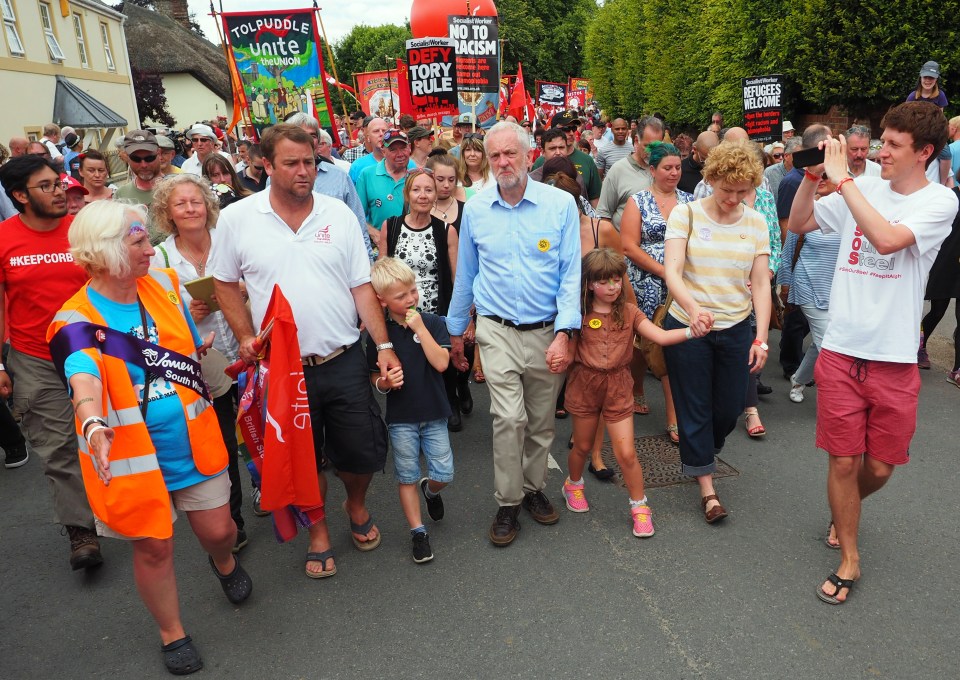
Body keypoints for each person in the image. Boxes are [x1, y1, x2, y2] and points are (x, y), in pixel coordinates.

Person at [47, 201, 251, 675]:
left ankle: (222, 562)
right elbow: (83, 378)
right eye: (136, 241)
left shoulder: (164, 282)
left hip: (192, 440)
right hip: (133, 458)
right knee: (154, 547)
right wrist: (93, 423)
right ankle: (171, 633)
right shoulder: (72, 321)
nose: (149, 247)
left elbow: (183, 337)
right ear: (104, 253)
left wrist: (196, 348)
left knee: (222, 531)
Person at [787, 101, 958, 605]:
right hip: (840, 349)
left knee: (880, 466)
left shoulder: (940, 202)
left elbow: (885, 240)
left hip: (894, 357)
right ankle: (849, 557)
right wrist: (811, 177)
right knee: (843, 461)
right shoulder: (863, 188)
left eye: (894, 146)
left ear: (924, 153)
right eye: (882, 140)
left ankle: (845, 511)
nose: (881, 152)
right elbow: (800, 224)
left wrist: (843, 182)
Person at [209, 124, 396, 578]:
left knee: (361, 453)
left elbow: (361, 286)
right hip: (281, 368)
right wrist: (246, 335)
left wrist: (385, 345)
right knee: (301, 457)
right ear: (265, 165)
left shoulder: (338, 215)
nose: (303, 171)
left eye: (309, 162)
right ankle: (317, 532)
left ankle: (354, 504)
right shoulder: (238, 218)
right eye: (291, 163)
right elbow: (223, 282)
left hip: (343, 358)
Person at [446, 121, 581, 547]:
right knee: (508, 417)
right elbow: (466, 274)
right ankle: (507, 502)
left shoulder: (559, 206)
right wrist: (455, 333)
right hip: (496, 329)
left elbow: (569, 275)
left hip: (546, 332)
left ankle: (533, 488)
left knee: (541, 422)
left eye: (511, 154)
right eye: (496, 155)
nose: (504, 162)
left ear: (529, 156)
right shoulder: (477, 209)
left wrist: (565, 333)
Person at [0, 155, 102, 570]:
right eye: (47, 186)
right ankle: (82, 532)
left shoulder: (83, 232)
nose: (61, 190)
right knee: (57, 447)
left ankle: (129, 504)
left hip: (94, 350)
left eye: (59, 182)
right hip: (33, 357)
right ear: (20, 196)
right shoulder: (4, 239)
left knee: (113, 430)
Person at [662, 140, 772, 523]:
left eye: (743, 192)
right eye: (727, 190)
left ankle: (703, 451)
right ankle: (708, 488)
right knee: (694, 407)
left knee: (726, 410)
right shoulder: (685, 214)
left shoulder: (756, 223)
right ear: (711, 180)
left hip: (737, 328)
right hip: (687, 328)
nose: (734, 198)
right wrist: (693, 311)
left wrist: (762, 337)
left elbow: (760, 283)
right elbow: (672, 271)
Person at [563, 248, 695, 536]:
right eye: (604, 281)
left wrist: (690, 331)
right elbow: (568, 353)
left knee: (627, 453)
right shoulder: (578, 313)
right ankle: (572, 484)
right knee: (582, 447)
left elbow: (659, 336)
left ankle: (640, 506)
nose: (612, 287)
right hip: (585, 385)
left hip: (618, 387)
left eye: (617, 280)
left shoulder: (630, 312)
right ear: (588, 284)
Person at [149, 173, 249, 551]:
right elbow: (154, 319)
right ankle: (233, 520)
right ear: (167, 213)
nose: (190, 209)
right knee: (222, 441)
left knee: (260, 429)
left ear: (208, 206)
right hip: (204, 363)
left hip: (247, 348)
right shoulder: (159, 257)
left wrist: (237, 289)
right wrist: (187, 313)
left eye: (196, 201)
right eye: (180, 204)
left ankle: (264, 489)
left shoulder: (230, 242)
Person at [368, 258, 455, 563]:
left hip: (434, 413)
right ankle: (418, 532)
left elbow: (442, 363)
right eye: (401, 295)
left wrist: (420, 326)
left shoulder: (431, 322)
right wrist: (384, 383)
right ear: (382, 300)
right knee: (406, 476)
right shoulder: (379, 336)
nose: (410, 299)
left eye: (412, 291)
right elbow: (374, 378)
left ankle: (431, 491)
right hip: (401, 419)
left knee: (444, 472)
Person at [621, 142, 694, 442]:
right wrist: (665, 271)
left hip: (680, 288)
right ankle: (636, 386)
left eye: (677, 167)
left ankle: (674, 417)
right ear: (652, 170)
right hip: (646, 282)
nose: (674, 172)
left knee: (671, 349)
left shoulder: (690, 203)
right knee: (642, 344)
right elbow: (628, 246)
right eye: (667, 167)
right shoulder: (637, 202)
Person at [378, 169, 461, 430]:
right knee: (408, 363)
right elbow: (381, 270)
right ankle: (411, 418)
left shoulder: (445, 230)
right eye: (417, 190)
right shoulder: (390, 226)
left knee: (438, 362)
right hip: (398, 312)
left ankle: (449, 404)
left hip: (434, 310)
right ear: (407, 194)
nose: (422, 195)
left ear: (436, 195)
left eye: (428, 190)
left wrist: (461, 317)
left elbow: (456, 275)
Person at [780, 176, 842, 403]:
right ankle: (837, 396)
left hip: (837, 290)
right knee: (828, 343)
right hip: (807, 284)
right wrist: (785, 285)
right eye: (820, 175)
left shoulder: (851, 210)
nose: (823, 179)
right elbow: (788, 252)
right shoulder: (807, 208)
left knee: (821, 341)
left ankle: (799, 378)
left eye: (829, 175)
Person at [918, 175, 960, 383]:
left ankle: (957, 369)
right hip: (946, 262)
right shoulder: (951, 199)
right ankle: (919, 346)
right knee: (937, 311)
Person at [115, 130, 164, 206]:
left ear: (159, 153)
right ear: (127, 157)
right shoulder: (121, 196)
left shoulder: (177, 188)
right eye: (136, 159)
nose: (143, 165)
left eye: (149, 158)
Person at [458, 133, 493, 199]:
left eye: (477, 150)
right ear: (463, 154)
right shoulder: (455, 179)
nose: (472, 154)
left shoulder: (494, 177)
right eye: (468, 150)